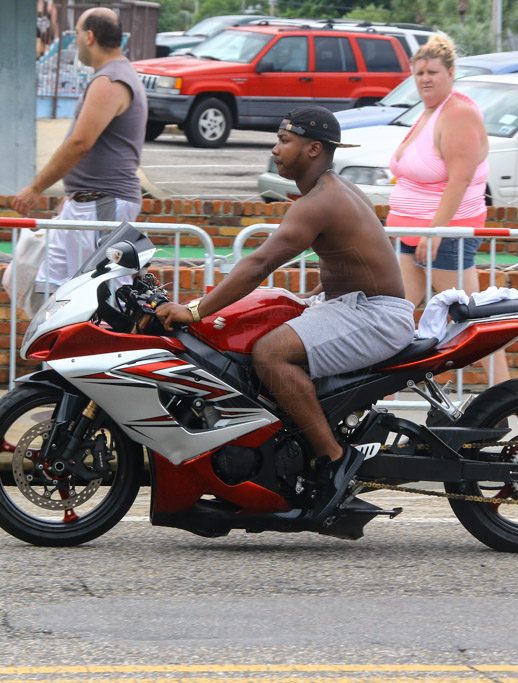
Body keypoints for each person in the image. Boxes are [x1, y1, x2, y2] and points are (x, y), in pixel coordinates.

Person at [156, 106, 415, 520]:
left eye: (284, 140)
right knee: (267, 319)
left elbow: (259, 264)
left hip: (375, 315)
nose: (275, 148)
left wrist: (195, 309)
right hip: (355, 305)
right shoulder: (332, 189)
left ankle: (334, 459)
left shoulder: (320, 201)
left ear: (313, 149)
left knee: (270, 352)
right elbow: (352, 262)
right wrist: (310, 298)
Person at [386, 33, 510, 384]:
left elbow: (459, 180)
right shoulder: (428, 113)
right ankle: (379, 398)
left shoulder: (458, 114)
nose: (424, 78)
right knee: (397, 317)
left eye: (432, 72)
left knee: (473, 320)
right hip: (414, 234)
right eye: (419, 72)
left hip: (445, 235)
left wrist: (436, 231)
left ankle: (508, 396)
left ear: (451, 72)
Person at [13, 7, 146, 310]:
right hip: (87, 203)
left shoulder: (111, 80)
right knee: (53, 290)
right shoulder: (111, 77)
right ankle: (56, 357)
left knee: (107, 298)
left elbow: (79, 142)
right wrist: (73, 196)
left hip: (103, 203)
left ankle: (106, 355)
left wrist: (36, 187)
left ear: (89, 36)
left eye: (75, 36)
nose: (74, 44)